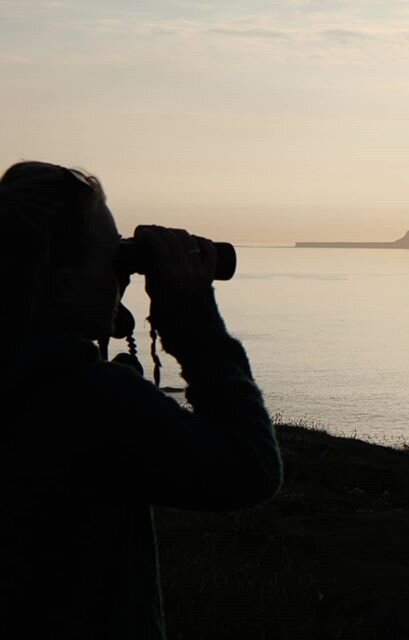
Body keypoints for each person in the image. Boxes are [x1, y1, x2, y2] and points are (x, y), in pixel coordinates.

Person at [0, 161, 282, 638]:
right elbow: (248, 469)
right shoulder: (89, 401)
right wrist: (193, 320)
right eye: (115, 262)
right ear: (65, 284)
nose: (125, 279)